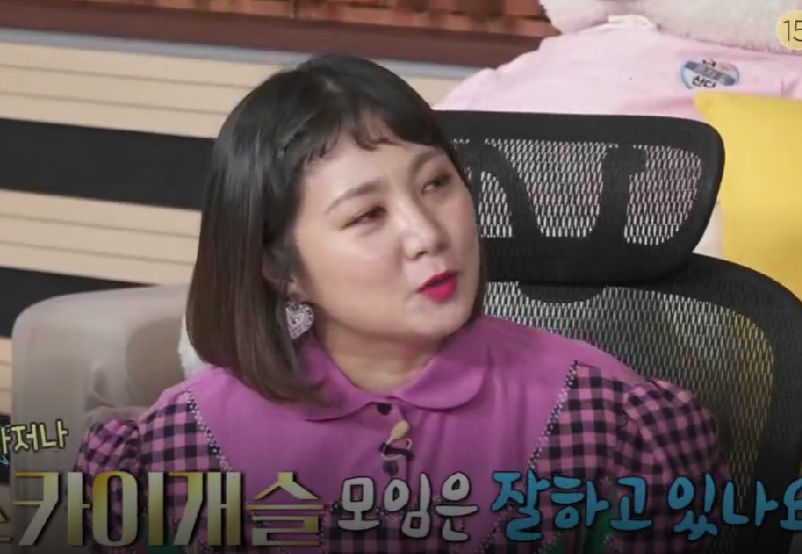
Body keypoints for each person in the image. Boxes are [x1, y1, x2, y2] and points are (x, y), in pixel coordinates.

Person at [75, 53, 729, 554]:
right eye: (367, 215)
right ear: (280, 267)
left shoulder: (610, 423)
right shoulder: (178, 449)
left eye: (436, 183)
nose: (427, 234)